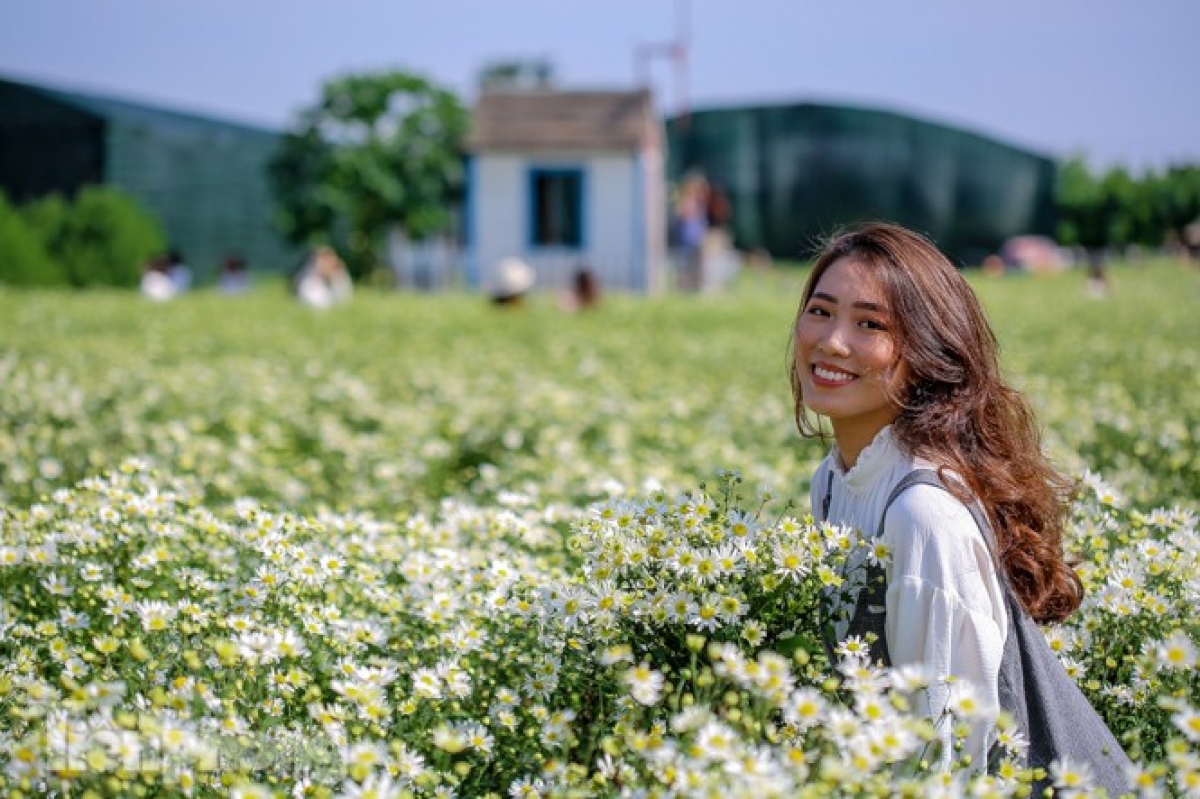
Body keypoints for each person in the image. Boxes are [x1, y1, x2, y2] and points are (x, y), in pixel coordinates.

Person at [789, 222, 1125, 785]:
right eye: (821, 311)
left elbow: (948, 765)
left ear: (926, 352)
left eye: (869, 324)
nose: (832, 342)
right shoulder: (835, 479)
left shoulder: (923, 517)